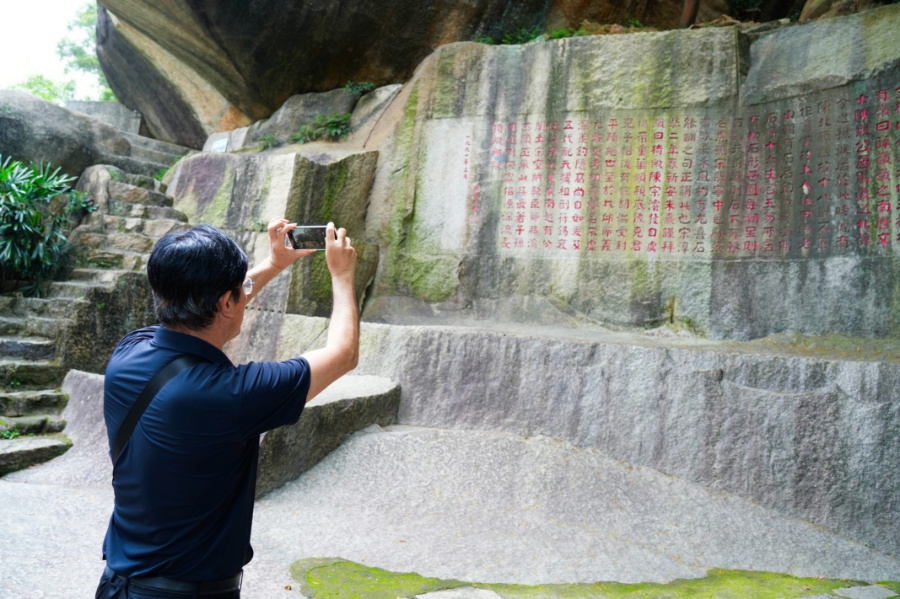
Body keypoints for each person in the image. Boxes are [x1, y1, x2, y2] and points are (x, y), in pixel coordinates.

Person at [95, 219, 358, 599]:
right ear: (226, 302)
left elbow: (215, 304)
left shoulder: (129, 351)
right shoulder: (228, 396)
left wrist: (275, 263)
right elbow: (343, 354)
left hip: (116, 585)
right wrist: (343, 274)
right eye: (237, 292)